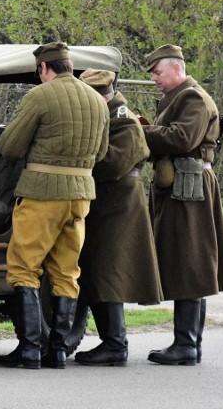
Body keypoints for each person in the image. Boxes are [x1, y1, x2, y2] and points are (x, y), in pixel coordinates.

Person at [0, 42, 110, 369]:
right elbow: (100, 154)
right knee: (66, 272)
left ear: (44, 68)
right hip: (80, 197)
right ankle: (58, 351)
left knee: (24, 267)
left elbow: (10, 146)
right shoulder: (97, 101)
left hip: (43, 195)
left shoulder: (39, 97)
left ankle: (29, 349)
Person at [142, 45, 223, 366]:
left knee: (189, 260)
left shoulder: (193, 98)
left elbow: (181, 139)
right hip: (184, 186)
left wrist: (142, 132)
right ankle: (188, 344)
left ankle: (186, 344)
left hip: (189, 188)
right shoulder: (180, 97)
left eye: (157, 72)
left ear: (176, 69)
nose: (154, 79)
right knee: (188, 259)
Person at [74, 69, 163, 367]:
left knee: (109, 271)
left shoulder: (123, 120)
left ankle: (115, 344)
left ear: (101, 96)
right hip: (107, 205)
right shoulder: (111, 117)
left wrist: (79, 154)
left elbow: (112, 163)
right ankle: (111, 341)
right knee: (98, 270)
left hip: (120, 206)